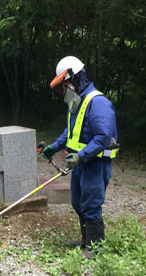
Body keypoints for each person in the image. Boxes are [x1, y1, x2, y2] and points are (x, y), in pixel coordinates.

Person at [42, 56, 118, 259]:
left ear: (73, 78)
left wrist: (80, 157)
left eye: (63, 85)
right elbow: (71, 131)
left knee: (92, 204)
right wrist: (54, 147)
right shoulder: (77, 102)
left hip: (95, 163)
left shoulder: (98, 102)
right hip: (81, 164)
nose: (63, 91)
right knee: (78, 202)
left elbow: (102, 137)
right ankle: (85, 241)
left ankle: (95, 249)